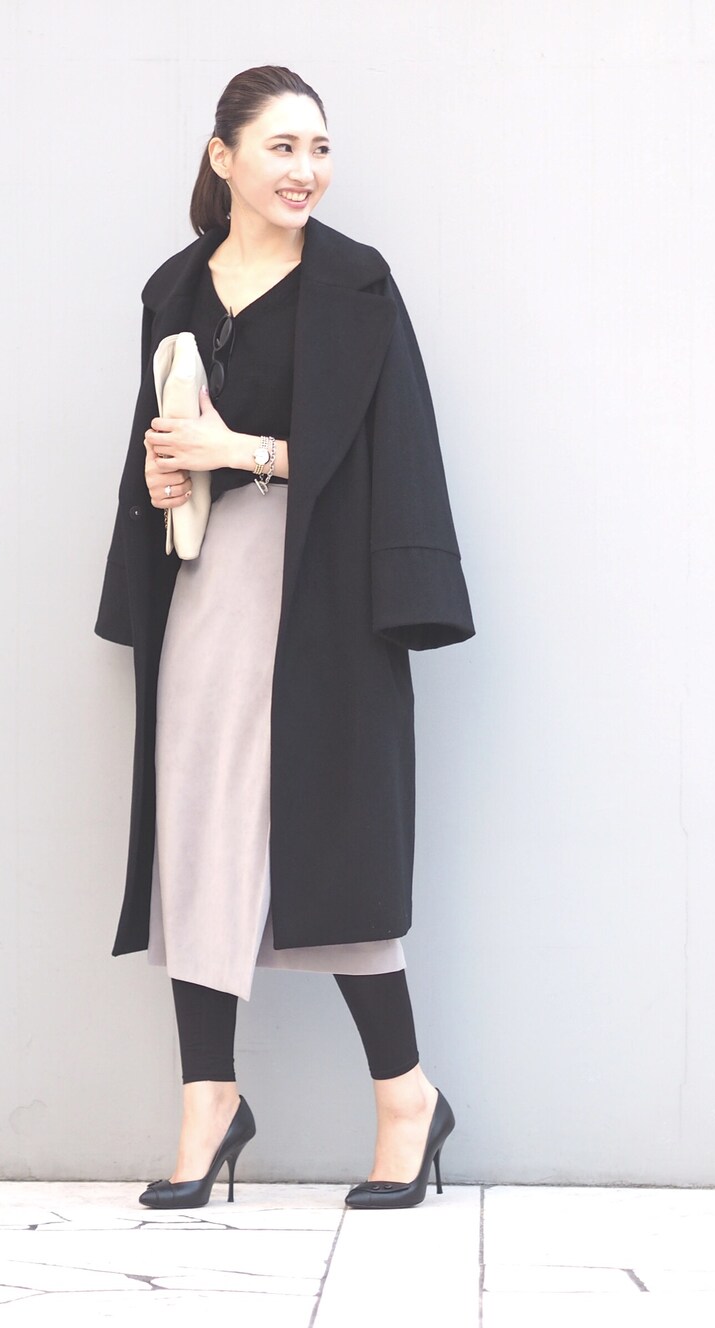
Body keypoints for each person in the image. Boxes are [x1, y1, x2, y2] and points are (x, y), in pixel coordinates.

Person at [95, 65, 474, 1211]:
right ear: (223, 157)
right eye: (281, 147)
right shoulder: (175, 288)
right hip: (205, 583)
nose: (305, 169)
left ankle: (406, 1097)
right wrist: (170, 470)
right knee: (196, 829)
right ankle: (209, 1099)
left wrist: (237, 452)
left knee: (334, 834)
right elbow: (163, 442)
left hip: (322, 588)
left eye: (319, 148)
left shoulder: (355, 285)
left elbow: (381, 454)